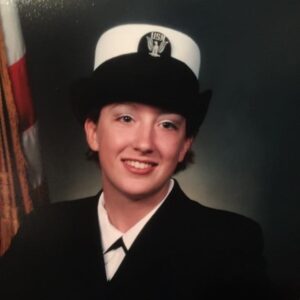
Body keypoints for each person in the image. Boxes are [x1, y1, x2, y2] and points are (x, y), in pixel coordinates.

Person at [0, 24, 269, 300]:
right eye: (126, 118)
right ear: (93, 132)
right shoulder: (43, 231)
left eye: (167, 125)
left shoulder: (231, 246)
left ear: (184, 144)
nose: (144, 143)